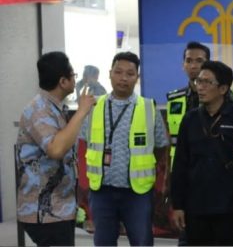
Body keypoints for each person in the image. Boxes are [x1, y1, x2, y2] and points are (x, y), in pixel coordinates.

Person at [81, 52, 170, 246]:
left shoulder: (148, 108)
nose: (123, 77)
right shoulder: (94, 107)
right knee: (103, 242)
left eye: (130, 73)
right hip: (101, 190)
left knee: (141, 241)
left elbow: (162, 149)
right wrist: (83, 188)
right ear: (110, 73)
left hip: (137, 192)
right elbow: (82, 147)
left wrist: (161, 187)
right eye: (118, 72)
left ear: (137, 78)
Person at [170, 61, 233, 245]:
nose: (200, 87)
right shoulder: (190, 119)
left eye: (207, 82)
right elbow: (180, 164)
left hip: (230, 208)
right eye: (198, 82)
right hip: (196, 208)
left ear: (223, 88)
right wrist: (177, 205)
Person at [15, 51, 96, 246]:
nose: (74, 80)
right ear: (63, 81)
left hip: (60, 207)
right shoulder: (38, 109)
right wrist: (83, 110)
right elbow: (56, 149)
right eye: (73, 75)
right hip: (45, 212)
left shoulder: (55, 107)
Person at [166, 41, 211, 166]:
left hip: (209, 167)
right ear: (183, 65)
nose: (193, 66)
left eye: (199, 61)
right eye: (189, 61)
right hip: (181, 167)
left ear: (209, 65)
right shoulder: (174, 99)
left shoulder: (219, 97)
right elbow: (169, 140)